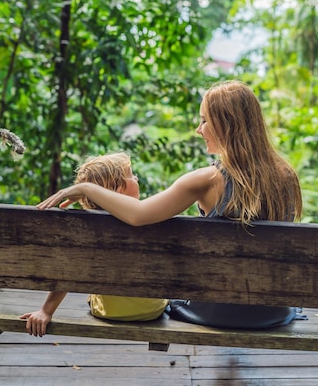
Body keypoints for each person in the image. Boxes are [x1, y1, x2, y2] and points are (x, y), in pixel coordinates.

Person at [37, 80, 303, 329]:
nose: (199, 129)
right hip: (274, 312)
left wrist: (85, 187)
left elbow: (138, 215)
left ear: (225, 125)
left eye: (204, 120)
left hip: (216, 311)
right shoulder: (287, 176)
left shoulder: (207, 180)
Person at [21, 153, 169, 337]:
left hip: (108, 312)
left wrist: (46, 311)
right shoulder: (152, 217)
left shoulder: (89, 229)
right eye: (131, 175)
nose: (136, 178)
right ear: (120, 189)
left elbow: (71, 271)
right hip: (152, 310)